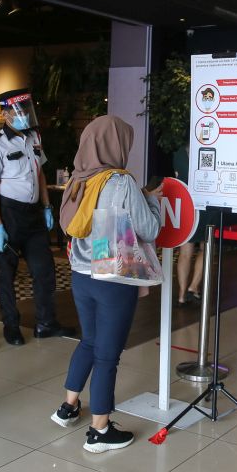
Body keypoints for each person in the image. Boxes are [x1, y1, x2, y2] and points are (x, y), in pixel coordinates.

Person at [52, 115, 162, 453]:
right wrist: (152, 200)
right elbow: (149, 229)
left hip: (81, 274)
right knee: (107, 356)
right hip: (112, 277)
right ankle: (99, 430)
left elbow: (95, 223)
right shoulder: (121, 181)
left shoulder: (79, 179)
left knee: (90, 341)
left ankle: (68, 407)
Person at [0, 89, 74, 345]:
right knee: (6, 273)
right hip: (9, 215)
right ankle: (11, 325)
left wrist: (47, 207)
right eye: (18, 111)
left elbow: (40, 174)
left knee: (44, 269)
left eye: (26, 109)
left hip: (34, 215)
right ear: (5, 114)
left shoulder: (34, 136)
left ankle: (46, 323)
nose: (23, 115)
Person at [172, 144, 205, 306]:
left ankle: (181, 295)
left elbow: (178, 179)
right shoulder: (210, 150)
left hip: (186, 206)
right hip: (206, 205)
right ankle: (193, 287)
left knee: (185, 252)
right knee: (206, 249)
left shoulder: (179, 153)